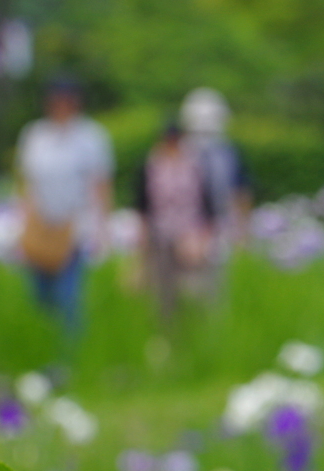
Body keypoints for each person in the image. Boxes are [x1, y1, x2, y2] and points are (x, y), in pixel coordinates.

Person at [16, 76, 114, 337]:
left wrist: (103, 227)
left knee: (68, 296)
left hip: (74, 226)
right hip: (40, 225)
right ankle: (42, 344)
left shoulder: (91, 137)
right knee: (39, 295)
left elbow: (101, 184)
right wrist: (23, 222)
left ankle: (69, 356)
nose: (61, 106)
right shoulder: (35, 134)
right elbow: (28, 183)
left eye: (67, 100)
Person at [135, 122, 215, 321]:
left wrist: (202, 241)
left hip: (190, 237)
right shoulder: (151, 165)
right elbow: (143, 207)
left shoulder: (196, 165)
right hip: (160, 236)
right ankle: (168, 339)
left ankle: (196, 335)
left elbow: (207, 206)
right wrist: (142, 249)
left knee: (194, 292)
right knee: (164, 294)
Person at [180, 88, 252, 251]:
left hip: (222, 221)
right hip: (188, 224)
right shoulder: (181, 153)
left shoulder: (229, 153)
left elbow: (241, 192)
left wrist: (242, 230)